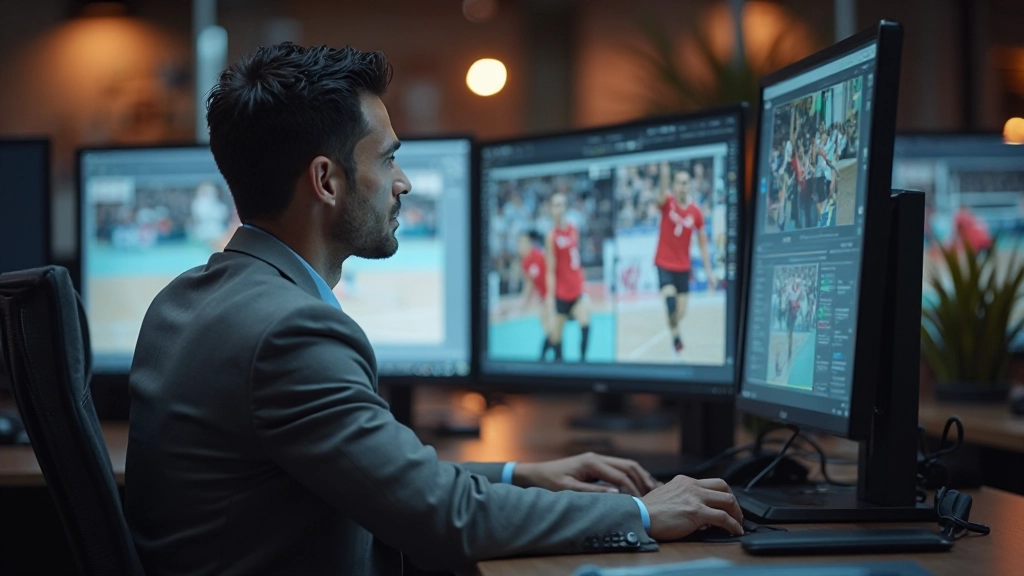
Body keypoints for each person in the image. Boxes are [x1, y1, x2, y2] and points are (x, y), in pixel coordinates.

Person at [123, 43, 745, 576]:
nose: (404, 182)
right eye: (388, 157)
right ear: (326, 180)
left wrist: (518, 474)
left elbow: (389, 480)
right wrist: (642, 512)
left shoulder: (183, 299)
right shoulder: (291, 332)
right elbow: (442, 518)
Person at [654, 162, 717, 356]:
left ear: (689, 185)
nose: (682, 186)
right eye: (679, 183)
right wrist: (664, 176)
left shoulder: (696, 213)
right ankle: (676, 339)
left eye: (685, 183)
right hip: (664, 263)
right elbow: (660, 196)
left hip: (683, 267)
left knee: (679, 314)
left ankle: (674, 332)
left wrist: (709, 272)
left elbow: (703, 245)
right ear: (674, 185)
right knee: (670, 301)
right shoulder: (667, 203)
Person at [545, 191, 590, 361]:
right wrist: (550, 297)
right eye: (556, 205)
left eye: (562, 204)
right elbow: (551, 269)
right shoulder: (551, 236)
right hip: (561, 294)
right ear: (551, 209)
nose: (560, 208)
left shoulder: (573, 229)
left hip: (577, 289)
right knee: (556, 337)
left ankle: (582, 363)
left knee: (585, 323)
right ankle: (558, 366)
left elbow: (575, 258)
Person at [518, 230, 553, 359]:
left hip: (552, 296)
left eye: (522, 243)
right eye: (519, 243)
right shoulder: (525, 263)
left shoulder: (540, 255)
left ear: (529, 244)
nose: (520, 246)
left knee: (552, 328)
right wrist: (523, 302)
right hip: (544, 298)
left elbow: (552, 272)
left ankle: (543, 356)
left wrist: (551, 296)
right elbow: (530, 284)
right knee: (547, 329)